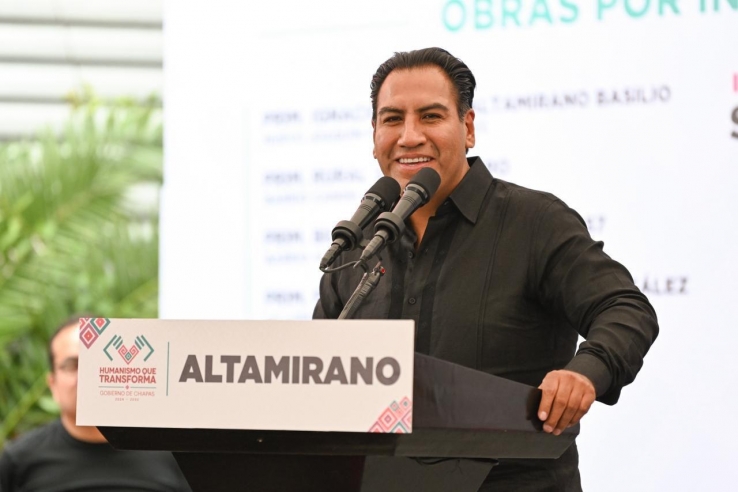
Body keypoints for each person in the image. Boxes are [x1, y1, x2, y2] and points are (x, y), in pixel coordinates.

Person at [313, 47, 659, 491]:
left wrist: (585, 372)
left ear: (469, 128)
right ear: (375, 134)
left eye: (431, 116)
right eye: (393, 119)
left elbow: (624, 307)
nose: (410, 136)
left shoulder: (534, 222)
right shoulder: (359, 245)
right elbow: (318, 373)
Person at [0, 317, 192, 492]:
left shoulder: (172, 456)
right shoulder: (18, 461)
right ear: (53, 384)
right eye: (72, 365)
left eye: (96, 363)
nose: (85, 375)